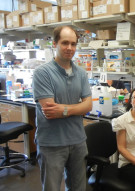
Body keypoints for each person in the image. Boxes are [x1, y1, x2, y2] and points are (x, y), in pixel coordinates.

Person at [32, 26, 92, 191]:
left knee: (78, 188)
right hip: (52, 144)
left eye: (73, 44)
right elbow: (50, 111)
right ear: (55, 43)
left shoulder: (81, 73)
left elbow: (89, 105)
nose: (69, 48)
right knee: (52, 188)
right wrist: (78, 107)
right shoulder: (42, 73)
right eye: (65, 43)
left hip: (78, 141)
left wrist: (64, 110)